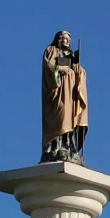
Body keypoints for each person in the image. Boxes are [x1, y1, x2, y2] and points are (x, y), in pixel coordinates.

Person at [41, 32, 88, 163]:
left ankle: (68, 147)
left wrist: (77, 66)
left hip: (71, 95)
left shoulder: (70, 56)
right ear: (58, 39)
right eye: (64, 39)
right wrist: (60, 69)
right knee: (61, 118)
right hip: (57, 94)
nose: (66, 41)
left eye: (68, 39)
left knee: (71, 119)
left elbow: (80, 72)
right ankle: (54, 147)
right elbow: (49, 67)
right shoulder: (52, 50)